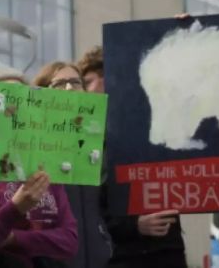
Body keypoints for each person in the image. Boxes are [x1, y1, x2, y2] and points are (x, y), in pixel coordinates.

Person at [79, 45, 188, 268]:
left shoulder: (154, 121)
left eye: (91, 81)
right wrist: (134, 225)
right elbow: (87, 207)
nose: (90, 89)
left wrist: (181, 27)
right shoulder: (82, 137)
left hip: (166, 250)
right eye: (87, 82)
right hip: (121, 254)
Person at [0, 62, 80, 268]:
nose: (16, 109)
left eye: (25, 102)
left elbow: (69, 241)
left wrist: (12, 239)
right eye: (7, 100)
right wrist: (15, 209)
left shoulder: (47, 171)